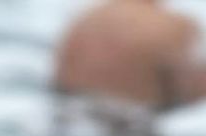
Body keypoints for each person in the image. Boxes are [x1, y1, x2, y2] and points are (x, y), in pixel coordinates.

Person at [54, 0, 206, 136]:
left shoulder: (85, 19)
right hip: (130, 126)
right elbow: (189, 93)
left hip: (69, 120)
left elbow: (59, 82)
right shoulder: (176, 27)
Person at [55, 0, 206, 110]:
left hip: (67, 111)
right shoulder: (176, 26)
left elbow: (60, 79)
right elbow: (185, 91)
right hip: (128, 123)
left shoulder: (88, 15)